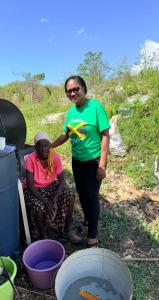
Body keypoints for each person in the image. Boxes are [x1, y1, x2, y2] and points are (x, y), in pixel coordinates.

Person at [51, 75, 110, 248]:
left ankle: (92, 237)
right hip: (77, 162)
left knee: (91, 197)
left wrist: (102, 165)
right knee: (82, 194)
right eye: (69, 91)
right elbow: (65, 135)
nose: (73, 93)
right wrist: (49, 146)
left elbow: (105, 135)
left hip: (94, 161)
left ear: (84, 89)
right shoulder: (70, 113)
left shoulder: (95, 107)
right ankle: (87, 219)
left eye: (76, 89)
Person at [23, 131, 81, 244]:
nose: (44, 149)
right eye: (41, 146)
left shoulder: (55, 157)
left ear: (50, 145)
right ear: (36, 147)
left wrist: (54, 198)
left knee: (70, 195)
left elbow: (62, 180)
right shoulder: (30, 159)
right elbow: (30, 185)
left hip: (50, 186)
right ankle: (42, 236)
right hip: (34, 189)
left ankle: (67, 230)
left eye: (46, 145)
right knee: (39, 207)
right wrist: (45, 201)